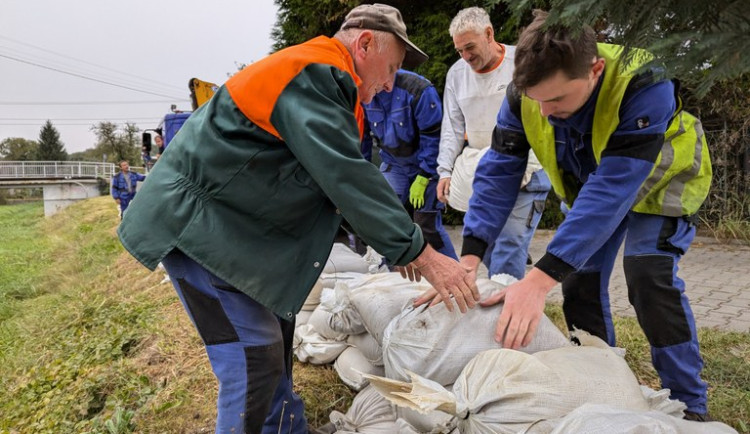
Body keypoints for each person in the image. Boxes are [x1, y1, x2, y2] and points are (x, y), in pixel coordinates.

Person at [116, 4, 478, 433]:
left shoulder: (330, 86)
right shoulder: (315, 73)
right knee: (255, 353)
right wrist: (419, 253)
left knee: (276, 344)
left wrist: (382, 236)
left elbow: (325, 183)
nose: (388, 85)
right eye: (391, 68)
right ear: (364, 43)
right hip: (199, 229)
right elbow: (346, 174)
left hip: (232, 231)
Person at [418, 9, 713, 421]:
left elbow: (614, 189)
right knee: (578, 282)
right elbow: (500, 171)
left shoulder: (642, 82)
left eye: (557, 99)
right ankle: (604, 383)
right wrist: (471, 257)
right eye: (537, 100)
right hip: (595, 181)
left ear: (595, 70)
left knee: (648, 274)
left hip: (661, 178)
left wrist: (537, 281)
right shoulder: (524, 95)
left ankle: (688, 402)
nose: (545, 113)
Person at [436, 7, 551, 280]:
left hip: (527, 168)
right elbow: (452, 127)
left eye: (470, 47)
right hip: (485, 173)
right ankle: (508, 295)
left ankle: (506, 315)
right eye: (459, 51)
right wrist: (444, 171)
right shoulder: (456, 75)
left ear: (489, 34)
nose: (465, 56)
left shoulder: (520, 62)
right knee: (483, 245)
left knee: (509, 245)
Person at [362, 69, 457, 259]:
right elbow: (362, 139)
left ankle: (455, 275)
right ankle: (396, 280)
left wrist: (424, 176)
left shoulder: (419, 90)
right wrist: (361, 174)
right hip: (394, 164)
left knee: (426, 224)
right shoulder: (364, 92)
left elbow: (434, 137)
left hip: (427, 164)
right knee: (386, 220)